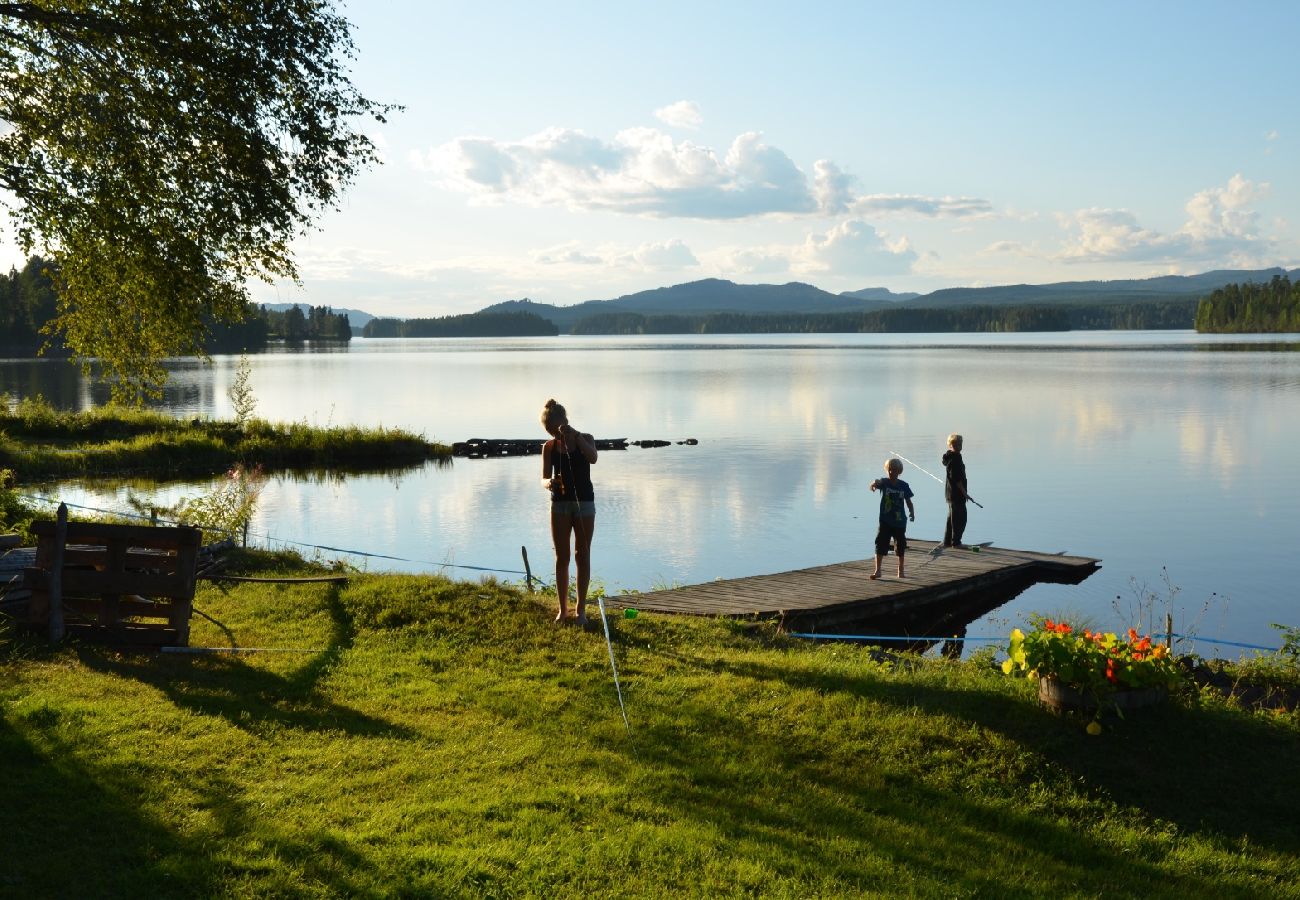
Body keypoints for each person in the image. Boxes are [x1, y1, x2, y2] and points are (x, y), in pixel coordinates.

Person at [540, 399, 598, 625]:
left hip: (584, 504)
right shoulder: (549, 447)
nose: (556, 434)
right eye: (550, 431)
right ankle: (562, 610)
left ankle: (580, 610)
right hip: (560, 506)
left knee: (582, 555)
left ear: (565, 422)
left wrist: (576, 437)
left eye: (558, 429)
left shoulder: (586, 438)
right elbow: (543, 477)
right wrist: (549, 483)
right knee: (561, 557)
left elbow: (592, 457)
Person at [869, 457, 914, 579]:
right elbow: (877, 481)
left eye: (894, 470)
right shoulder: (885, 483)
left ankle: (901, 570)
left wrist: (912, 512)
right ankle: (878, 570)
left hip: (899, 522)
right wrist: (873, 484)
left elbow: (908, 501)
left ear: (899, 471)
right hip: (885, 520)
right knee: (880, 543)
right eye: (889, 470)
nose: (891, 472)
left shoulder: (903, 485)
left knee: (900, 545)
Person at [942, 433, 968, 549]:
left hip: (950, 493)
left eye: (960, 443)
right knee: (960, 518)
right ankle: (956, 542)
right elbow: (957, 479)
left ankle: (948, 541)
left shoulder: (952, 457)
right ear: (951, 445)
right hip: (956, 494)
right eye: (956, 444)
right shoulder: (955, 458)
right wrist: (965, 493)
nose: (959, 445)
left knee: (951, 518)